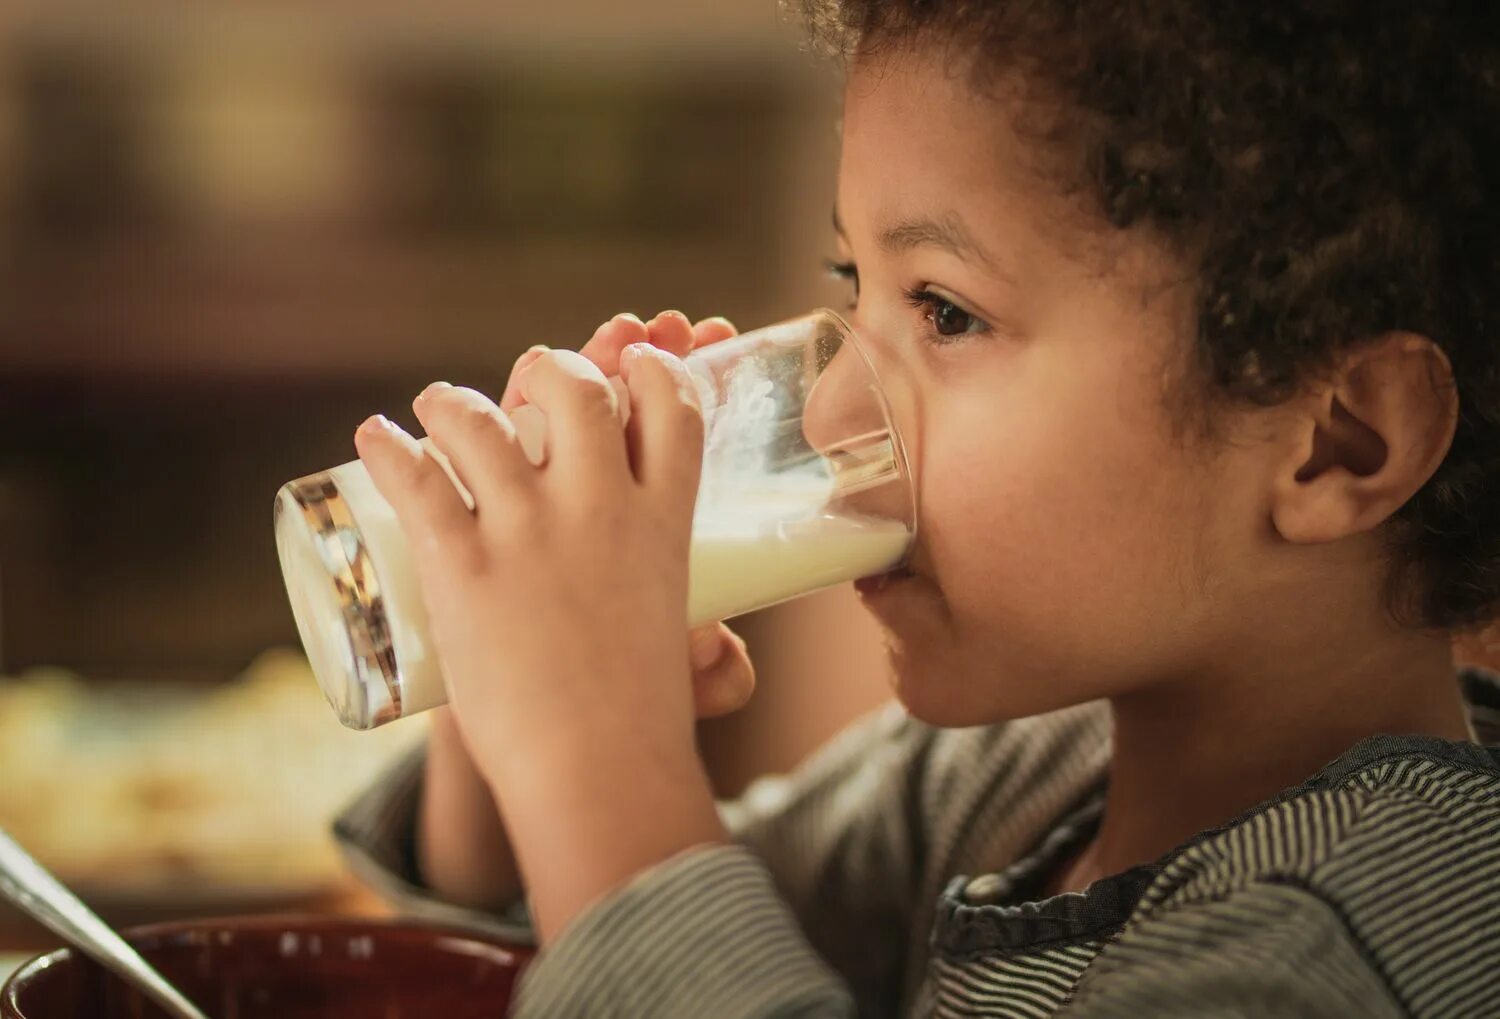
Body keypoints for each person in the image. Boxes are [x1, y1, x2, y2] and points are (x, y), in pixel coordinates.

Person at [334, 3, 1500, 1015]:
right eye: (853, 285)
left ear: (1338, 442)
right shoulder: (1013, 776)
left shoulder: (1345, 948)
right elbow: (581, 958)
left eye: (944, 311)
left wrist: (592, 753)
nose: (836, 401)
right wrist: (508, 719)